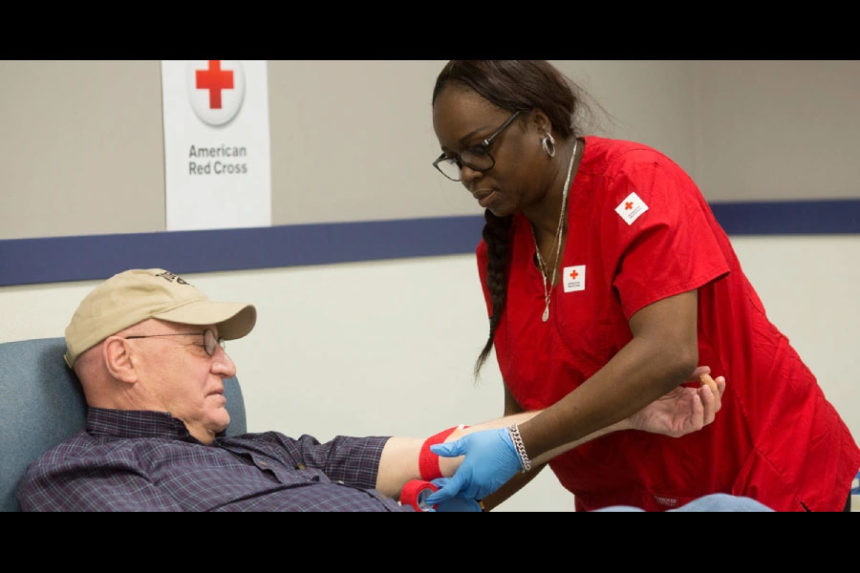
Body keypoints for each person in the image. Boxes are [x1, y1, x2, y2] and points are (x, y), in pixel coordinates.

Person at [425, 60, 860, 512]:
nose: (468, 173)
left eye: (479, 148)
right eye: (454, 159)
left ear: (539, 124)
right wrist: (456, 501)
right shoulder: (500, 252)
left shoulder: (636, 183)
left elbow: (668, 353)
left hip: (759, 479)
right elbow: (532, 418)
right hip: (626, 499)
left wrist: (519, 441)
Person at [17, 267, 737, 512]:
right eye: (203, 344)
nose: (227, 367)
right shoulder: (83, 472)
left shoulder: (266, 450)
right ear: (123, 358)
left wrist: (624, 414)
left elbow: (443, 455)